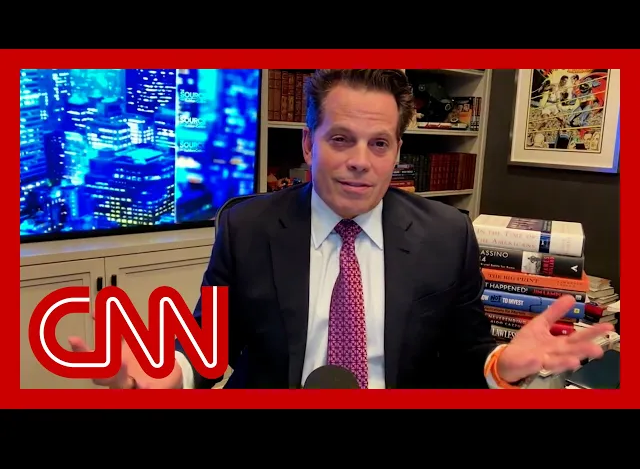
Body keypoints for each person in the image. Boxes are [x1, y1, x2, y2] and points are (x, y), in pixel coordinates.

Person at [69, 69, 613, 389]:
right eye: (340, 139)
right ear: (309, 144)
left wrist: (501, 365)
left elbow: (464, 355)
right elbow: (207, 346)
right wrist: (167, 376)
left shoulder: (448, 235)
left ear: (397, 151)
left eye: (379, 144)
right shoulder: (247, 226)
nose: (360, 161)